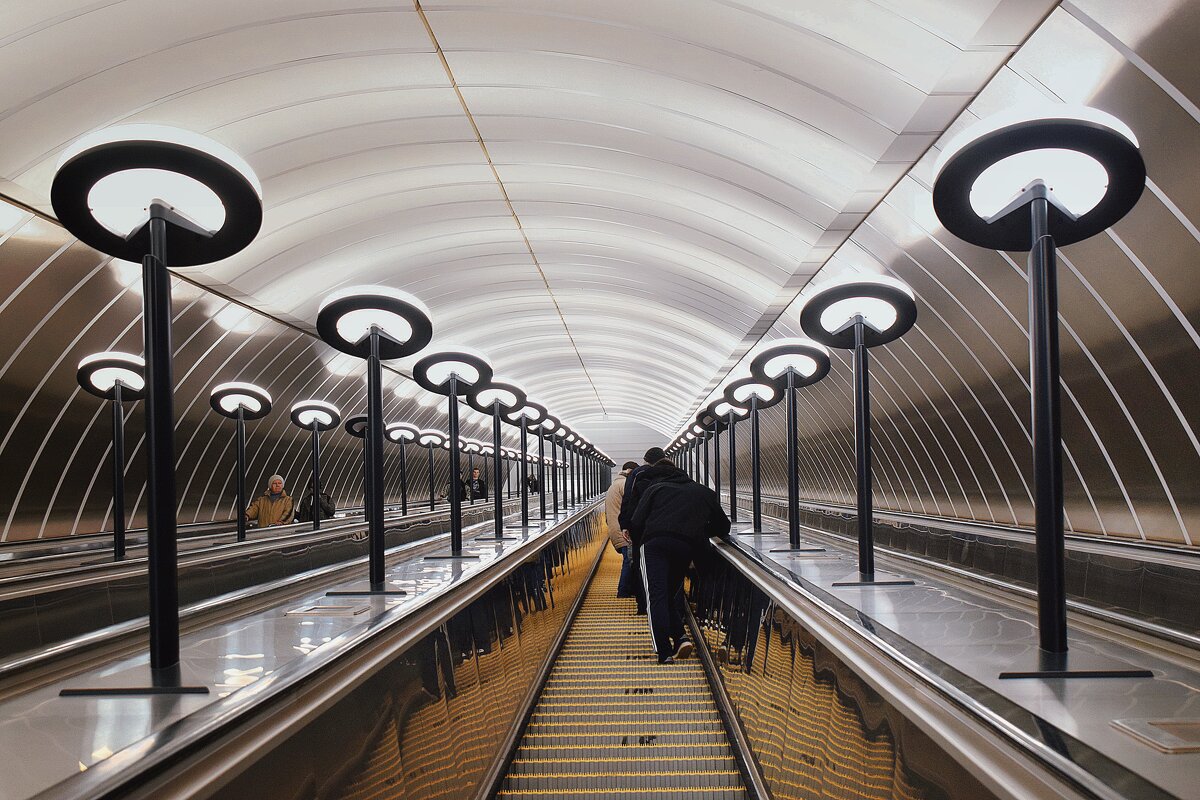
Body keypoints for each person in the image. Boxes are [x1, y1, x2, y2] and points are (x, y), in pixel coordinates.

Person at [629, 459, 730, 664]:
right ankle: (680, 637)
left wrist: (639, 545)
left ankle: (664, 652)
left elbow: (636, 521)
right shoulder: (703, 492)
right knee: (668, 594)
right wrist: (697, 531)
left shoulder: (655, 489)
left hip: (654, 545)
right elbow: (723, 526)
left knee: (655, 596)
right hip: (685, 547)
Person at [605, 461, 642, 602]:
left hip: (615, 528)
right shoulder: (625, 485)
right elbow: (631, 508)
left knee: (629, 559)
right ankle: (623, 591)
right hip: (623, 529)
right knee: (629, 560)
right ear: (629, 471)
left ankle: (627, 589)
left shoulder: (614, 485)